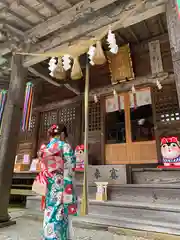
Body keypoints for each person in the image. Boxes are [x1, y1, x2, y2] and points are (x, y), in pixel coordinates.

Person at [38, 124, 77, 240]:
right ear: (62, 134)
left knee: (49, 212)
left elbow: (43, 166)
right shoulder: (64, 146)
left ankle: (47, 236)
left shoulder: (44, 148)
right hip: (60, 185)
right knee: (59, 213)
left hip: (48, 186)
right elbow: (71, 167)